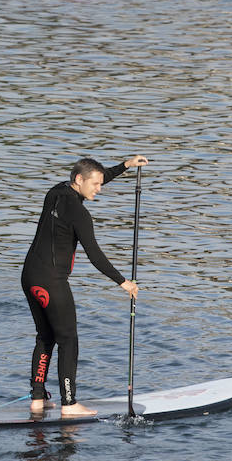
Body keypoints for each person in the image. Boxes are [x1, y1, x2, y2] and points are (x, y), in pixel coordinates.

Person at [22, 154, 149, 419]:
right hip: (52, 282)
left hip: (30, 276)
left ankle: (37, 398)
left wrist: (124, 167)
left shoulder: (55, 192)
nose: (99, 189)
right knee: (68, 339)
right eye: (95, 185)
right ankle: (69, 404)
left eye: (101, 184)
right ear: (79, 180)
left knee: (45, 336)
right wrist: (122, 281)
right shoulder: (81, 214)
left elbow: (94, 176)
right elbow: (95, 254)